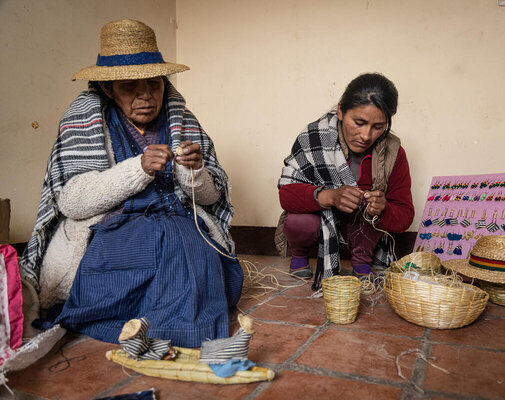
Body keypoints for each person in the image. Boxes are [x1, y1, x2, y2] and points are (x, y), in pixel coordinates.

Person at [19, 19, 243, 347]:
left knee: (193, 248)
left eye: (154, 84)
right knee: (163, 246)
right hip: (109, 230)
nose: (146, 96)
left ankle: (158, 329)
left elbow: (209, 198)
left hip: (177, 220)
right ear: (108, 88)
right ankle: (167, 326)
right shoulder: (84, 117)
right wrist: (138, 168)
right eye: (130, 87)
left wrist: (193, 171)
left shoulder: (181, 118)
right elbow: (72, 201)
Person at [276, 73, 414, 288]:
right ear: (341, 111)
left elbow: (405, 215)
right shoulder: (314, 137)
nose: (366, 135)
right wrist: (330, 196)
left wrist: (382, 209)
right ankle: (300, 253)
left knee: (369, 211)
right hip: (319, 223)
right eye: (358, 123)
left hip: (360, 232)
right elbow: (286, 195)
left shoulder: (393, 152)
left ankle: (362, 260)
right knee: (298, 222)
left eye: (378, 127)